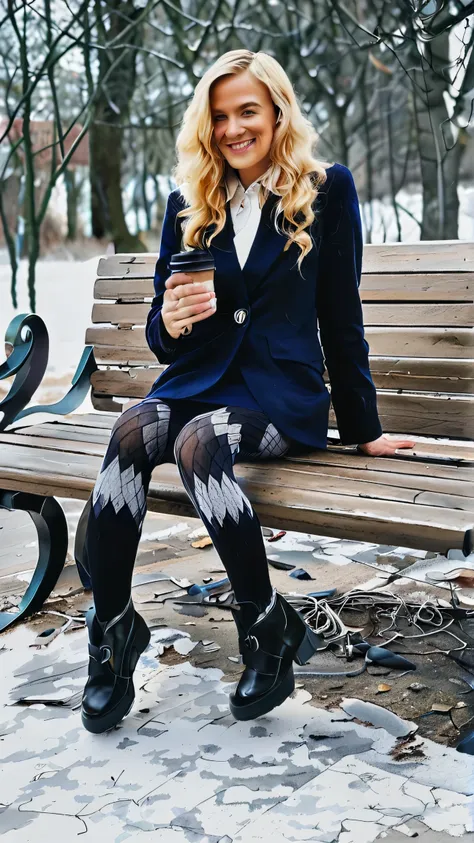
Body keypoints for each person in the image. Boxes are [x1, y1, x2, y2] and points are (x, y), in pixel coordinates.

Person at [80, 49, 415, 734]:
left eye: (247, 112)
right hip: (197, 379)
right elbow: (163, 327)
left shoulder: (327, 190)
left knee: (201, 443)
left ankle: (265, 627)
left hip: (276, 398)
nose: (233, 128)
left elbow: (340, 316)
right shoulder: (189, 201)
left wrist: (362, 425)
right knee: (130, 434)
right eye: (221, 115)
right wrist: (168, 325)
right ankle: (113, 632)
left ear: (277, 114)